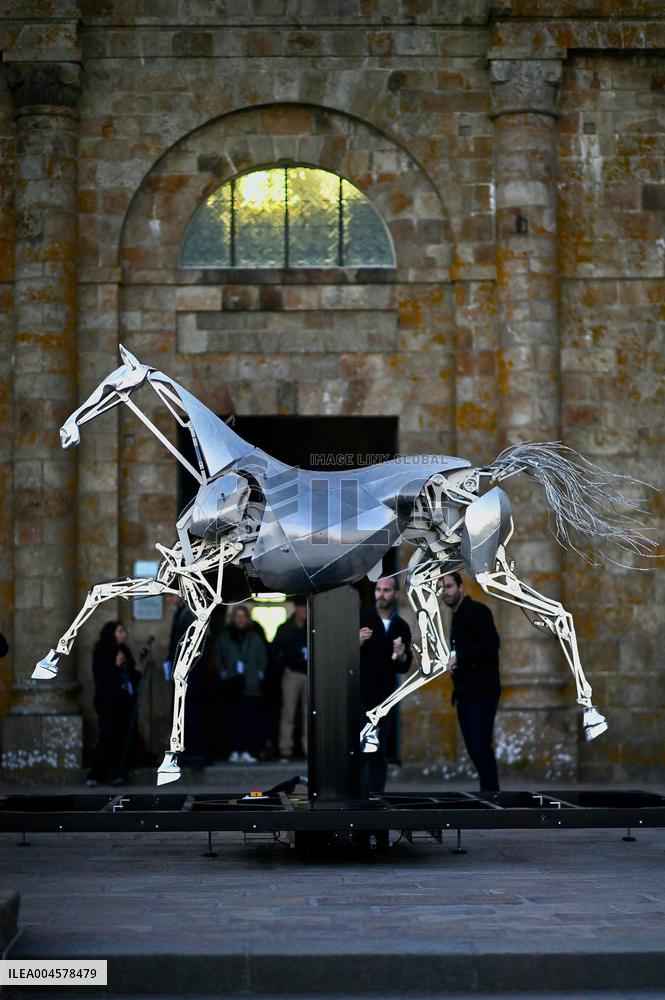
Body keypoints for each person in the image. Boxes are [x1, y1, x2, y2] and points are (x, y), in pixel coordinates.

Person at [440, 572, 501, 793]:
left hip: (482, 692)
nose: (444, 592)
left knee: (480, 747)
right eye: (441, 588)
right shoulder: (457, 616)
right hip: (465, 693)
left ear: (460, 587)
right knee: (475, 749)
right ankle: (489, 794)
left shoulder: (477, 611)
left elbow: (490, 645)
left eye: (448, 586)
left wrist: (459, 657)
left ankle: (491, 795)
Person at [359, 577, 412, 794]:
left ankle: (375, 797)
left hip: (385, 698)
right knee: (362, 749)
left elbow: (403, 667)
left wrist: (401, 657)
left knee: (379, 752)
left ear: (396, 594)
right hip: (360, 694)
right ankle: (359, 796)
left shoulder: (401, 626)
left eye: (387, 590)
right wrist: (356, 642)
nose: (381, 594)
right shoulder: (361, 619)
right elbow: (341, 656)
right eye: (378, 589)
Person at [87, 620, 142, 786]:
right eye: (119, 631)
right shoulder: (102, 651)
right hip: (108, 702)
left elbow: (132, 674)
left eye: (123, 631)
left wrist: (136, 671)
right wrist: (115, 665)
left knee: (123, 737)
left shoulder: (124, 650)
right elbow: (101, 678)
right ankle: (97, 774)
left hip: (125, 701)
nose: (123, 634)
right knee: (107, 736)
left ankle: (119, 773)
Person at [214, 604, 267, 763]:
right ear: (232, 618)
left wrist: (258, 674)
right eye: (238, 616)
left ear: (247, 618)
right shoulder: (224, 637)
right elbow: (218, 657)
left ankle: (246, 750)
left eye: (243, 616)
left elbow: (262, 658)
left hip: (250, 685)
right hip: (231, 683)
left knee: (248, 719)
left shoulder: (255, 637)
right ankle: (234, 750)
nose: (240, 619)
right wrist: (223, 673)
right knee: (233, 718)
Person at [165, 595, 206, 765]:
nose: (167, 600)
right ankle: (189, 752)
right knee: (185, 713)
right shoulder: (182, 613)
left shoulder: (189, 614)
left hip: (189, 674)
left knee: (189, 713)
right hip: (184, 673)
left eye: (169, 596)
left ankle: (196, 752)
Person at [273, 597, 308, 762]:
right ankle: (285, 750)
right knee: (288, 713)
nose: (305, 610)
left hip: (310, 675)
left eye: (307, 606)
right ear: (296, 608)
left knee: (310, 714)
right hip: (292, 674)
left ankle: (309, 749)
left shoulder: (313, 627)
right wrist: (284, 667)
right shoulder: (285, 628)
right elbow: (274, 651)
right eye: (302, 606)